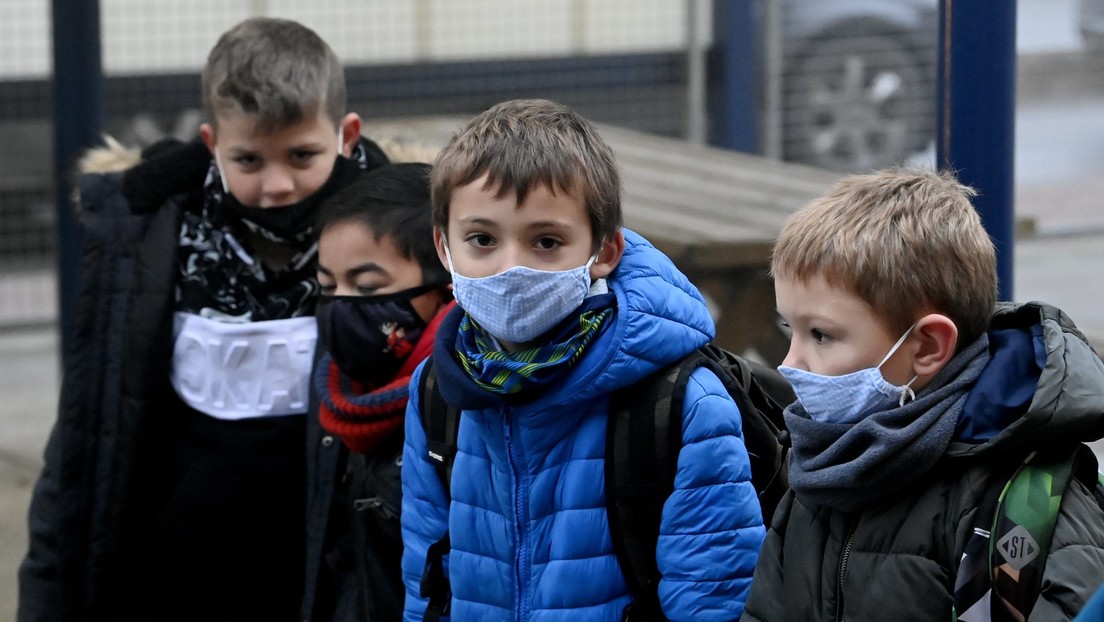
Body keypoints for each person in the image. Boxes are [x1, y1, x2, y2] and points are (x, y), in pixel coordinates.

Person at [19, 17, 388, 622]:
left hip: (326, 582)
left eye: (302, 155)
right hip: (171, 582)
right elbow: (91, 430)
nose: (276, 184)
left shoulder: (397, 238)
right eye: (248, 159)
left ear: (347, 135)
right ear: (211, 144)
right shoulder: (145, 238)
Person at [399, 98, 766, 621]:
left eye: (546, 241)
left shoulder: (682, 404)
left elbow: (713, 598)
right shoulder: (438, 388)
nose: (511, 268)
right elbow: (426, 577)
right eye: (481, 239)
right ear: (444, 247)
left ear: (606, 251)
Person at [741, 169, 1104, 621]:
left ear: (928, 346)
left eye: (820, 335)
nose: (790, 363)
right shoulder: (823, 462)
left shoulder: (1029, 503)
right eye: (787, 329)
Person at [303, 162, 454, 621]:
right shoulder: (333, 389)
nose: (340, 306)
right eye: (328, 286)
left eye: (367, 286)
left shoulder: (463, 406)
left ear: (445, 287)